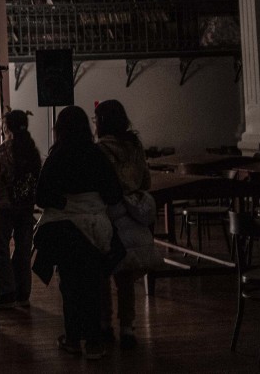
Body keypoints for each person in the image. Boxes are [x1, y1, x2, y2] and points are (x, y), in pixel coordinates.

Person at [33, 105, 123, 361]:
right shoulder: (96, 155)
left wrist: (65, 203)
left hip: (65, 229)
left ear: (59, 129)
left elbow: (41, 197)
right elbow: (113, 193)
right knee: (93, 285)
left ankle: (72, 339)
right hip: (95, 227)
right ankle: (94, 342)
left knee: (70, 286)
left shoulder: (56, 157)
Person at [95, 99, 152, 350]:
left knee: (103, 271)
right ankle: (127, 328)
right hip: (133, 212)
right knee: (126, 276)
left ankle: (105, 325)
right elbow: (146, 180)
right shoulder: (135, 146)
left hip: (108, 213)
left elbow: (98, 183)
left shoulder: (100, 149)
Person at [0, 109, 42, 310]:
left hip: (4, 205)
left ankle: (5, 293)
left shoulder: (1, 152)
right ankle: (22, 293)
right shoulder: (32, 150)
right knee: (23, 249)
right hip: (26, 205)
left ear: (6, 127)